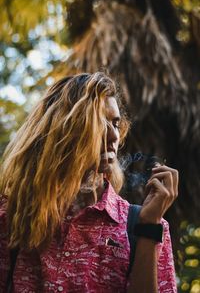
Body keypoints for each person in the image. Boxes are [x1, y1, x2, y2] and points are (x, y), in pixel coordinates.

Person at [0, 72, 178, 292]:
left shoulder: (142, 225)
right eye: (99, 122)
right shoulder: (11, 216)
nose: (114, 136)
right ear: (64, 129)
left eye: (115, 123)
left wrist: (149, 227)